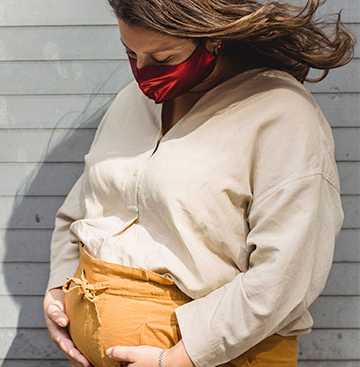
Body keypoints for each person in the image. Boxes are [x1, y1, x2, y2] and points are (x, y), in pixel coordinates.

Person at [42, 0, 356, 366]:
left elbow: (286, 272)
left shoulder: (281, 113)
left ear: (213, 40)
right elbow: (82, 208)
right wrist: (60, 288)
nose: (142, 71)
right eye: (130, 53)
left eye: (162, 59)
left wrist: (181, 357)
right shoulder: (131, 101)